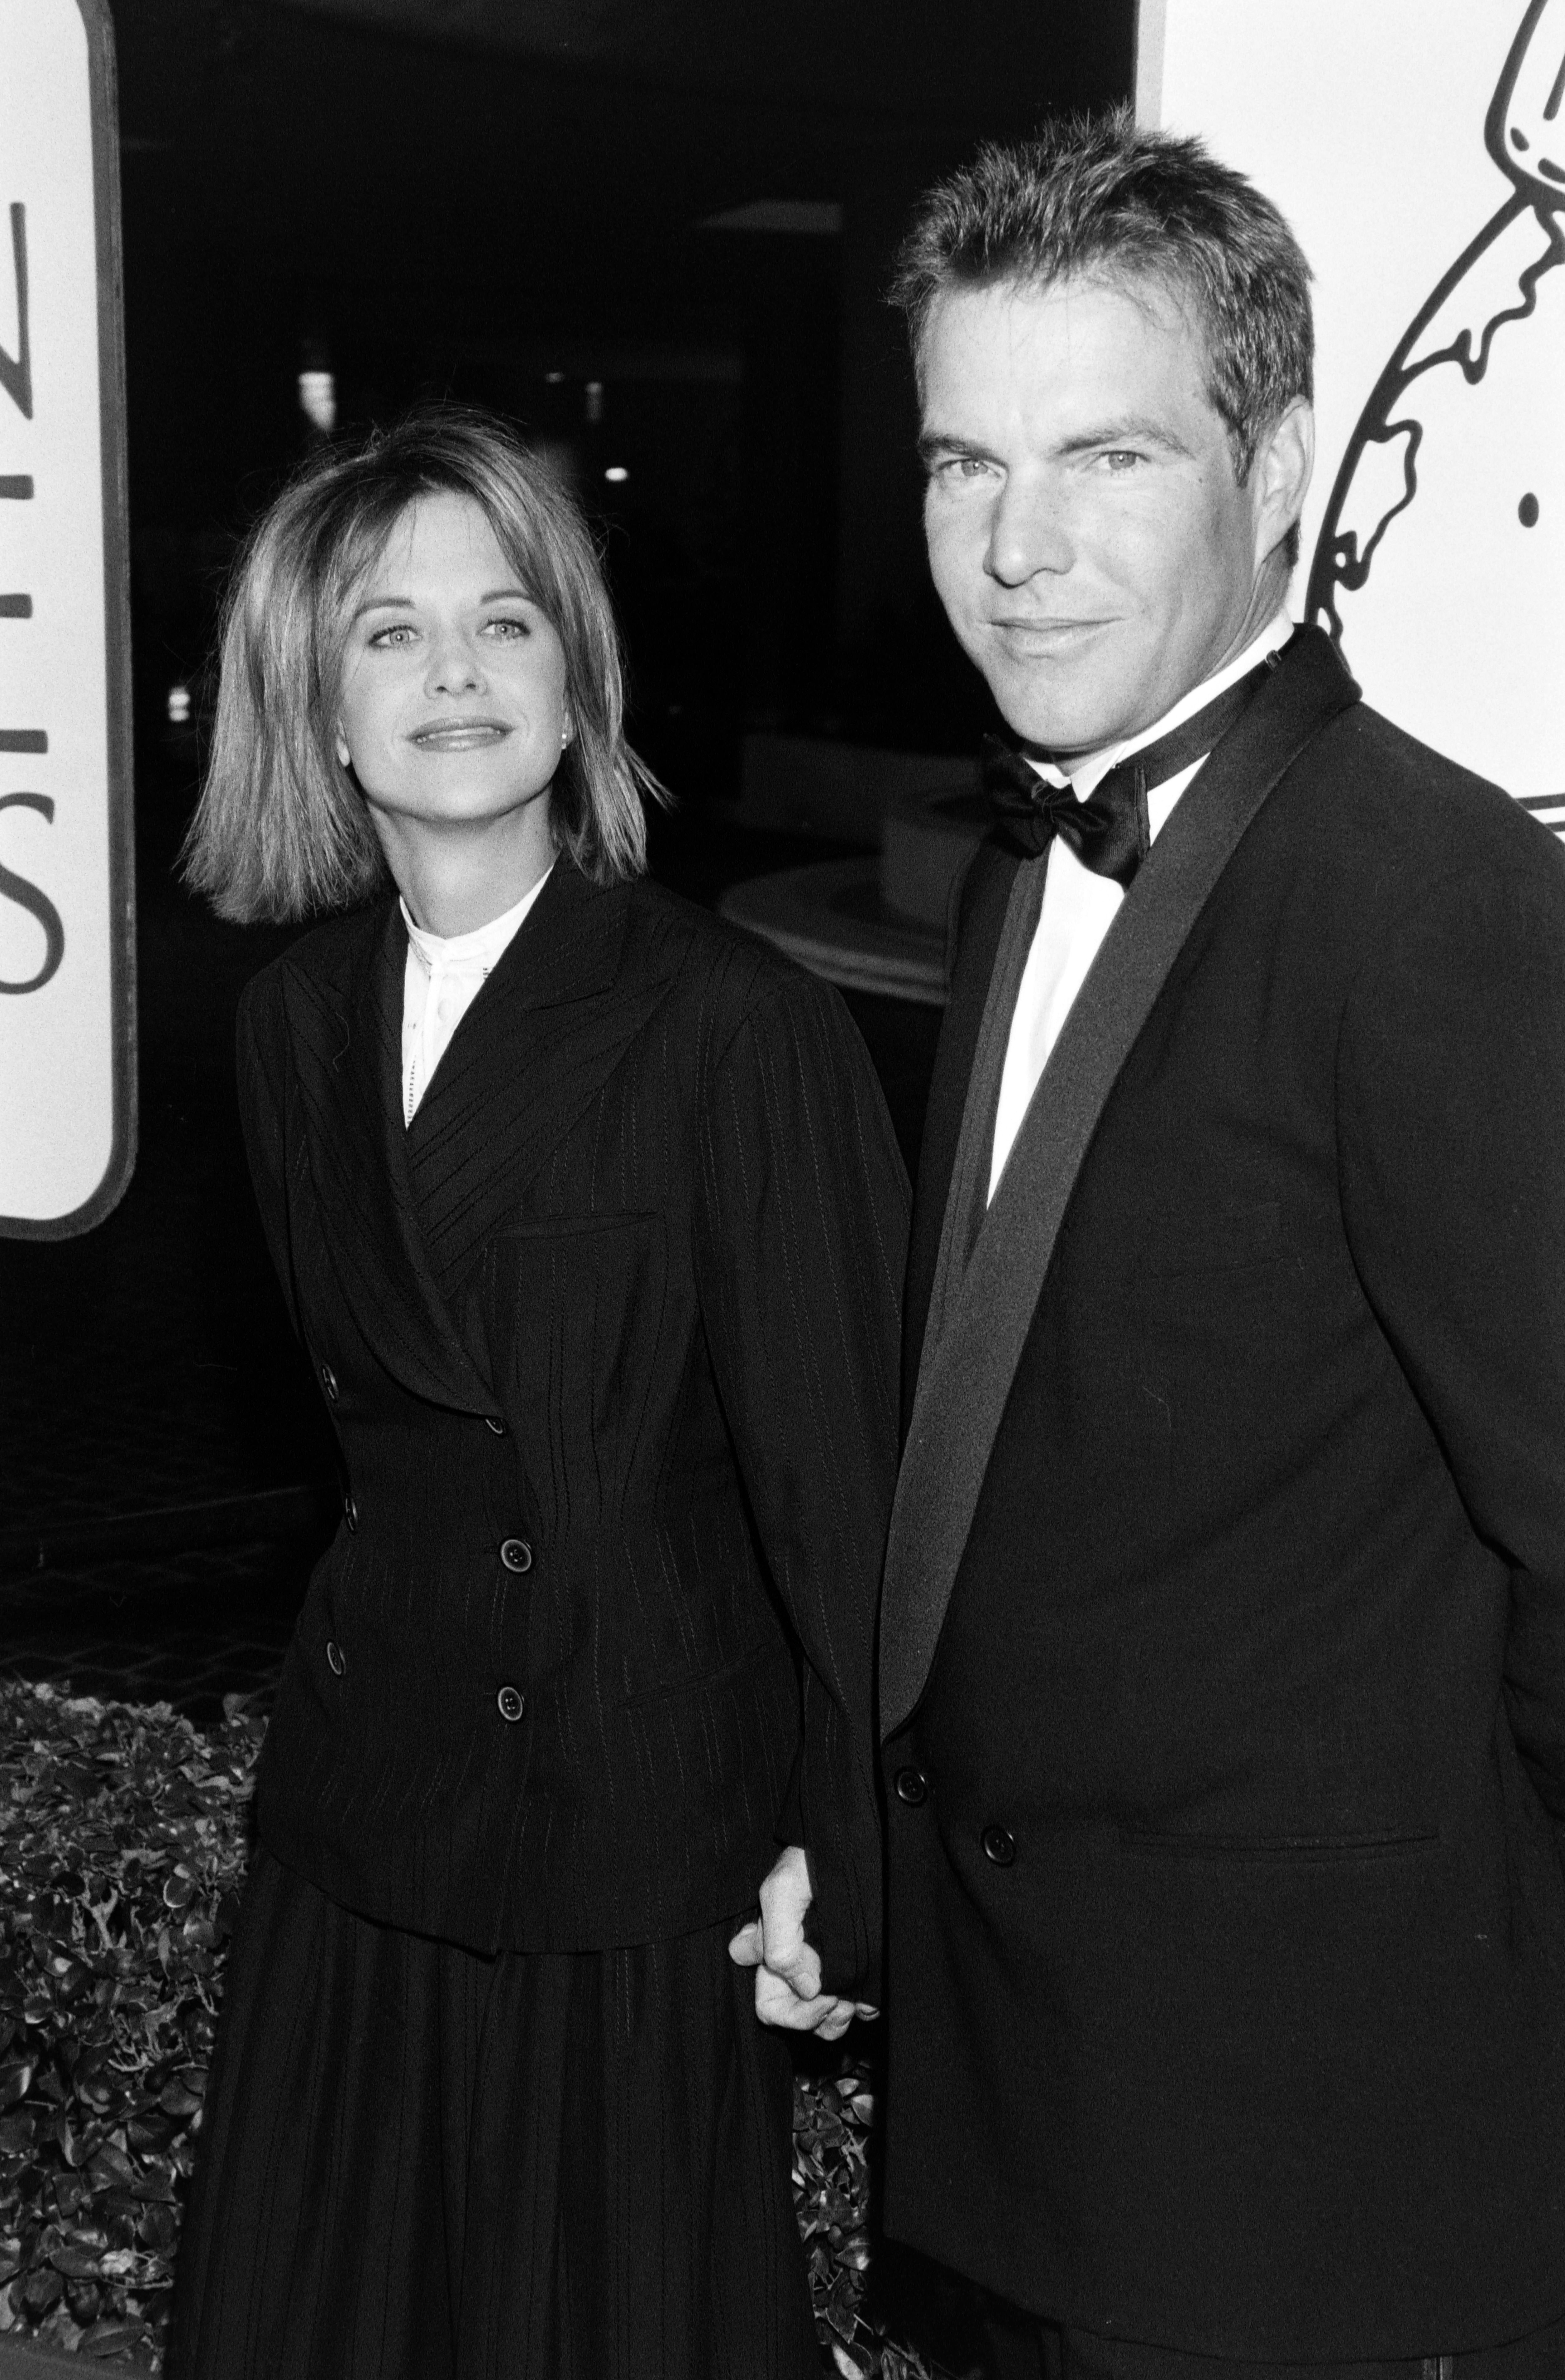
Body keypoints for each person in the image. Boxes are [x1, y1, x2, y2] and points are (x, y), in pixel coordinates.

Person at [874, 111, 1565, 2378]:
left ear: (1277, 470)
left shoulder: (1437, 908)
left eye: (1107, 457)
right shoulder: (1020, 870)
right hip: (1023, 2121)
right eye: (967, 466)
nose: (1020, 548)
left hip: (1309, 2187)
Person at [169, 407, 904, 2380]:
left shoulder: (739, 1028)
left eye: (505, 623)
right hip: (364, 1808)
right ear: (316, 708)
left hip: (632, 1843)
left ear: (578, 688)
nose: (456, 674)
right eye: (391, 634)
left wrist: (848, 1849)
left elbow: (848, 1502)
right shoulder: (292, 1025)